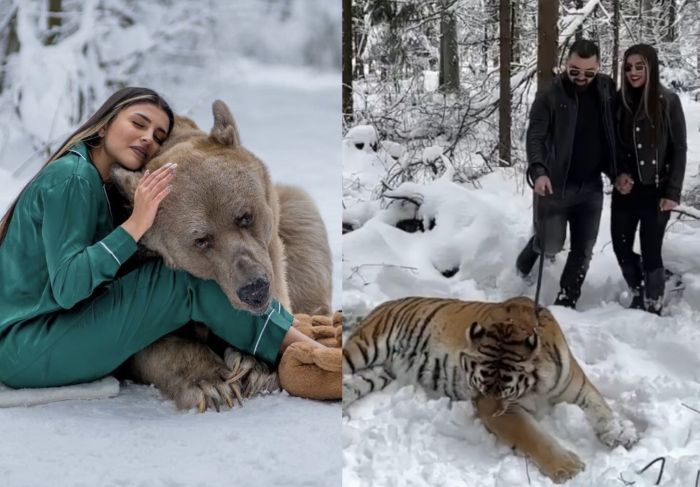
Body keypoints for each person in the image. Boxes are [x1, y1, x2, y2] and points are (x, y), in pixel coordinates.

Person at [0, 87, 319, 389]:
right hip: (29, 344)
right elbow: (70, 288)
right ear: (103, 124)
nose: (146, 139)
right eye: (138, 123)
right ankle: (306, 356)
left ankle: (297, 343)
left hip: (45, 332)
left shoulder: (94, 176)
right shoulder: (73, 178)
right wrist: (135, 226)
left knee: (210, 262)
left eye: (158, 135)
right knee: (183, 280)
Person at [515, 39, 617, 309]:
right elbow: (535, 137)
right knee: (551, 244)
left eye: (588, 72)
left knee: (583, 250)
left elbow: (612, 133)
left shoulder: (607, 90)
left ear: (598, 68)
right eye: (575, 70)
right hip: (555, 187)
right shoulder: (549, 95)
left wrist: (618, 171)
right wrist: (539, 171)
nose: (581, 77)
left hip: (591, 187)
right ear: (565, 64)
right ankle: (526, 261)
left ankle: (566, 301)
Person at [612, 44, 687, 314]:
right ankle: (641, 288)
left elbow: (679, 148)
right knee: (620, 247)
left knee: (650, 249)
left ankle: (651, 304)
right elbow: (612, 146)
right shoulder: (618, 102)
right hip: (625, 191)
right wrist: (617, 173)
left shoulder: (668, 101)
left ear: (651, 67)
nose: (633, 72)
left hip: (657, 190)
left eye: (639, 66)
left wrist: (672, 192)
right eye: (629, 67)